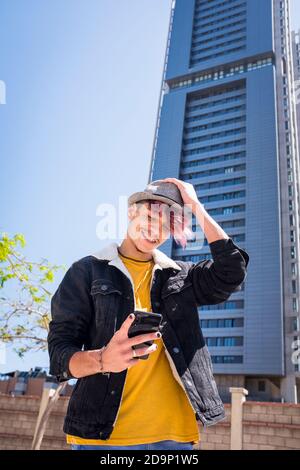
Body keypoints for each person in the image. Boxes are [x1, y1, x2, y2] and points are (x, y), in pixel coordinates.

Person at [47, 177, 249, 450]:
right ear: (131, 212)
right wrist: (102, 360)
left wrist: (195, 205)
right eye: (152, 217)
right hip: (101, 439)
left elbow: (231, 272)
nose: (156, 231)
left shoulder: (182, 276)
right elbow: (60, 355)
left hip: (173, 438)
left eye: (167, 225)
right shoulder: (87, 272)